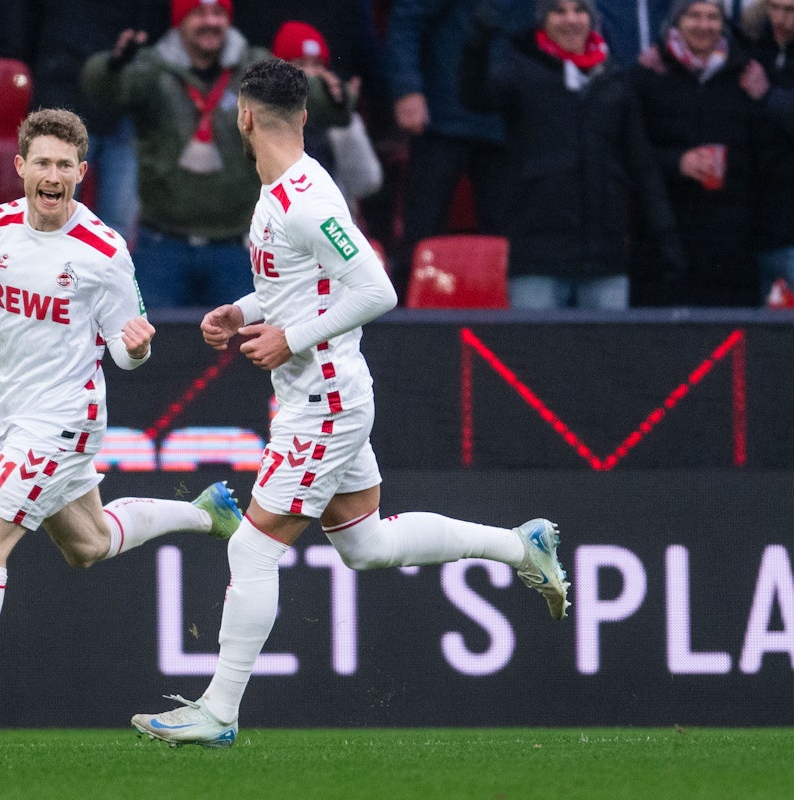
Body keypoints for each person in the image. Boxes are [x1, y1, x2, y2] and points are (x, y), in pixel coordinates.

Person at [130, 59, 570, 749]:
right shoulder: (285, 191)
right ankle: (520, 545)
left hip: (323, 401)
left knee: (251, 548)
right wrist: (243, 312)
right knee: (365, 546)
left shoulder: (305, 199)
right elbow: (301, 286)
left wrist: (290, 338)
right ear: (304, 116)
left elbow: (378, 289)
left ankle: (218, 711)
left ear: (243, 117)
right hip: (325, 393)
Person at [0, 108, 244, 733]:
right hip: (17, 416)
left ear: (82, 173)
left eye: (65, 165)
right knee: (88, 544)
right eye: (43, 162)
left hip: (66, 419)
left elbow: (124, 350)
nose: (53, 175)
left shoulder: (104, 250)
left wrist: (138, 348)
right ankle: (206, 514)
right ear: (21, 167)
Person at [82, 0, 351, 308]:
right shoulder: (152, 67)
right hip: (162, 245)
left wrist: (333, 97)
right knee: (156, 338)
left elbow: (306, 99)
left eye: (218, 13)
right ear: (180, 20)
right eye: (199, 13)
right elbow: (103, 88)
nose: (210, 21)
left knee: (241, 339)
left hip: (236, 247)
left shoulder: (255, 67)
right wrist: (112, 66)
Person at [459, 0, 684, 310]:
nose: (571, 19)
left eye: (579, 11)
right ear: (543, 20)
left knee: (607, 343)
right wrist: (478, 43)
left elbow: (642, 165)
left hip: (605, 257)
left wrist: (666, 233)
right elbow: (474, 98)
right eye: (559, 11)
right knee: (534, 343)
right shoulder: (519, 70)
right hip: (537, 256)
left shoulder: (614, 79)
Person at [384, 0, 534, 298]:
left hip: (507, 123)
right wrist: (407, 89)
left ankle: (514, 320)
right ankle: (404, 317)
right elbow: (407, 23)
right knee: (421, 233)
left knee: (510, 236)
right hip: (442, 119)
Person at [632, 0, 769, 306]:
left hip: (731, 240)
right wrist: (678, 162)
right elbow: (633, 152)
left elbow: (762, 154)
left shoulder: (745, 73)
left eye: (712, 17)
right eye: (694, 16)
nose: (704, 25)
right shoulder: (649, 74)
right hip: (664, 237)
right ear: (677, 22)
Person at [28, 1, 169, 242]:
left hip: (125, 104)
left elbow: (154, 27)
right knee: (49, 220)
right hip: (63, 97)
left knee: (116, 230)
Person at [269, 20, 383, 221]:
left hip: (333, 228)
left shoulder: (342, 121)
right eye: (300, 64)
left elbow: (367, 183)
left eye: (318, 65)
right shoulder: (264, 121)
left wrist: (344, 120)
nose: (310, 74)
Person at [739, 0, 794, 301]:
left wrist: (770, 95)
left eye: (790, 10)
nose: (780, 19)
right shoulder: (756, 46)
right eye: (775, 8)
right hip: (760, 221)